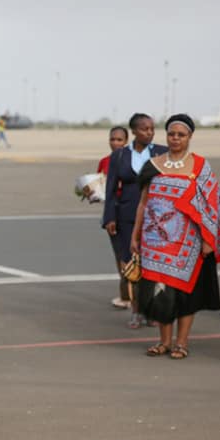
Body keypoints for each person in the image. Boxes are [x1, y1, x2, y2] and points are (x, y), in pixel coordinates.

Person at [131, 114, 220, 360]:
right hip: (156, 241)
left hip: (189, 243)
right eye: (171, 134)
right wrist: (135, 235)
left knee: (186, 295)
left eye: (181, 135)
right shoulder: (153, 165)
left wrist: (209, 239)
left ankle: (181, 343)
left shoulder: (200, 167)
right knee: (160, 293)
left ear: (190, 137)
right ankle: (164, 342)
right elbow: (143, 203)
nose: (175, 138)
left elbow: (213, 204)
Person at [104, 113, 168, 328]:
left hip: (156, 217)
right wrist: (110, 217)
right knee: (132, 266)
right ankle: (136, 311)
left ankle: (151, 311)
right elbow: (110, 189)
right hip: (127, 218)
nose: (149, 133)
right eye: (144, 129)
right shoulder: (120, 156)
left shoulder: (162, 153)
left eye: (151, 129)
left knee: (152, 266)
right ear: (133, 131)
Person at [97, 126, 129, 308]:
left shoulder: (132, 160)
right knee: (119, 255)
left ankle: (134, 296)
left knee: (132, 255)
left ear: (126, 141)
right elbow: (103, 189)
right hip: (112, 214)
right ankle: (126, 295)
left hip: (129, 211)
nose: (115, 143)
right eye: (112, 139)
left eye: (119, 140)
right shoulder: (104, 162)